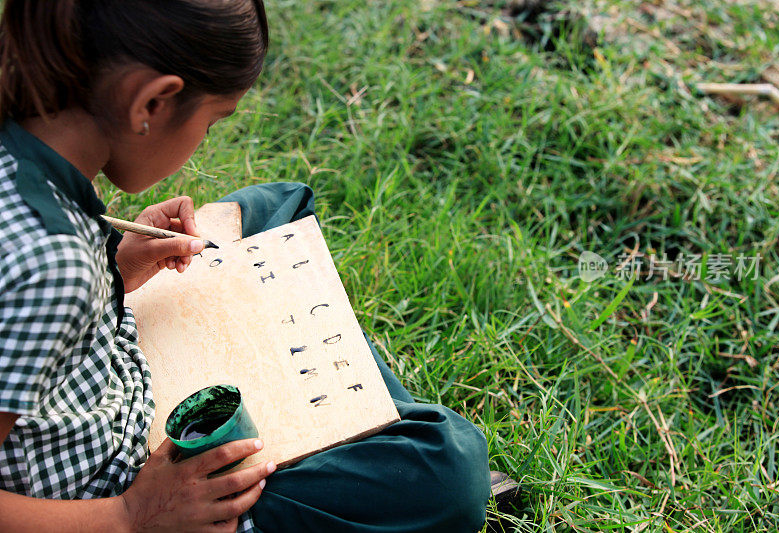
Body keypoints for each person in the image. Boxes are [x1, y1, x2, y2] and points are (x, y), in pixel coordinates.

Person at [0, 1, 493, 532]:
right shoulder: (55, 270)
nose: (204, 140)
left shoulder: (29, 141)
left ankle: (353, 395)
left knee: (278, 204)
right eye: (211, 122)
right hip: (132, 487)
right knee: (448, 466)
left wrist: (116, 268)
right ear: (153, 103)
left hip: (100, 360)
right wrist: (133, 516)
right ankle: (355, 413)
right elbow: (36, 285)